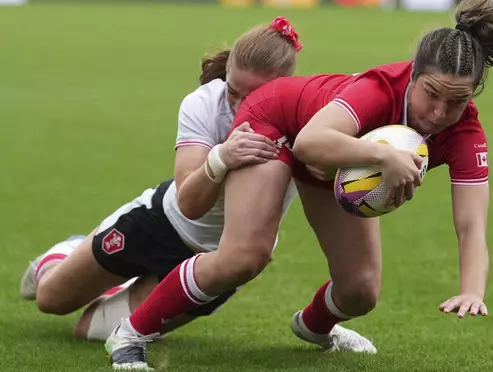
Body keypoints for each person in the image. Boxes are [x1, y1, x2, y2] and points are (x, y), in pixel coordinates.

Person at [106, 0, 493, 371]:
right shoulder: (379, 88)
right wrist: (383, 153)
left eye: (457, 101)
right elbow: (314, 141)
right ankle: (131, 333)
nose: (440, 113)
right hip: (277, 122)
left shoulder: (467, 135)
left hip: (333, 162)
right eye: (431, 95)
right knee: (244, 256)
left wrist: (472, 289)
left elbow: (472, 227)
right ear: (413, 76)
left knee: (360, 292)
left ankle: (314, 329)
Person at [18, 16, 335, 344]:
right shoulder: (204, 103)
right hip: (161, 225)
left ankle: (133, 285)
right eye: (233, 91)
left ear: (285, 85)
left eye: (254, 95)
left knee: (90, 332)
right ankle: (69, 250)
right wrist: (222, 156)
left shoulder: (308, 117)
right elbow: (189, 203)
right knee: (51, 300)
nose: (239, 105)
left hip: (219, 260)